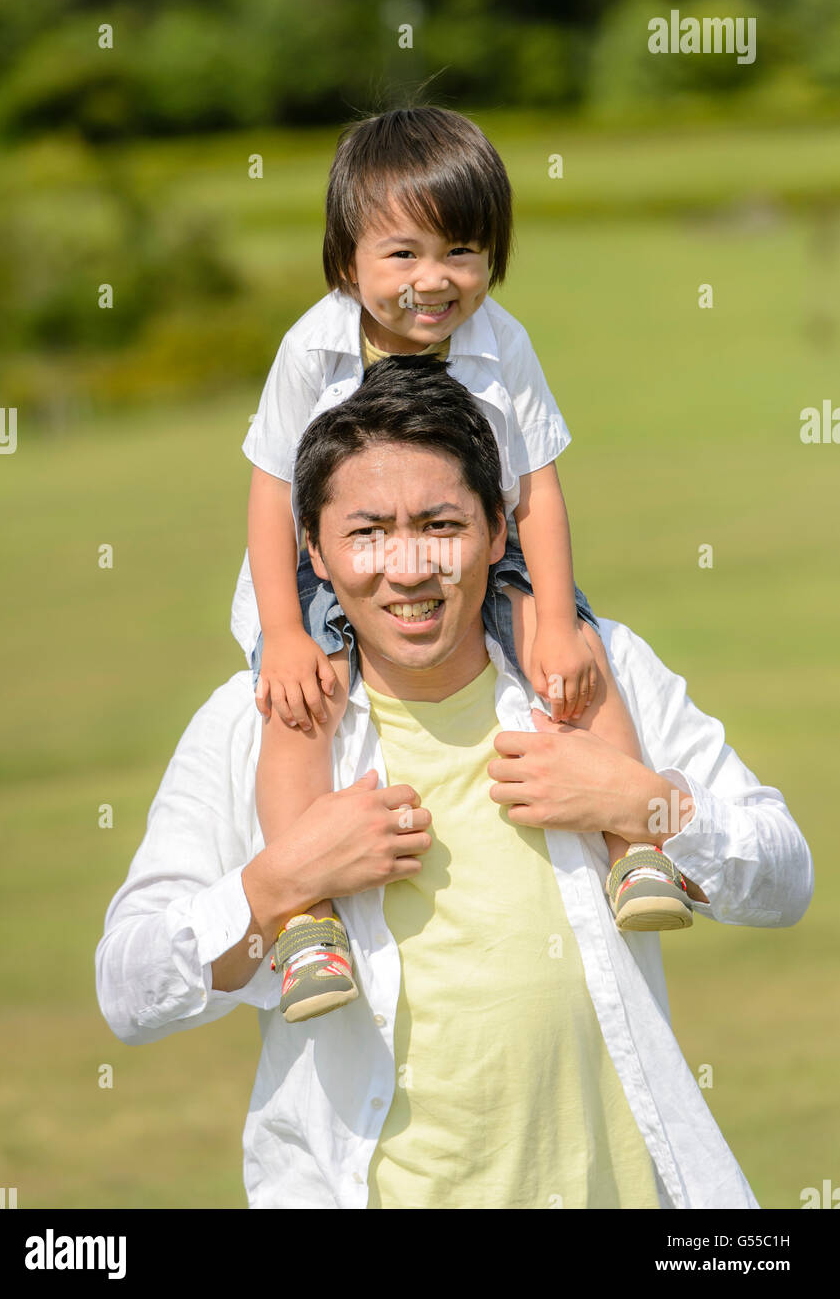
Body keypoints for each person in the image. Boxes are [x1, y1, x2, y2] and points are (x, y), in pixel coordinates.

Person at [96, 359, 813, 1209]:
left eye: (440, 524)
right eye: (365, 535)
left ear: (498, 533)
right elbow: (130, 992)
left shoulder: (593, 669)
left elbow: (783, 879)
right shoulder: (254, 718)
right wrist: (281, 881)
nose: (407, 568)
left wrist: (637, 802)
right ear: (313, 553)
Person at [234, 106, 692, 1024]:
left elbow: (540, 492)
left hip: (490, 544)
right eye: (401, 255)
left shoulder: (501, 343)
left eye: (463, 252)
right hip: (328, 570)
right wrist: (283, 629)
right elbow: (268, 489)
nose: (433, 281)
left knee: (575, 658)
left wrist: (556, 621)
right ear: (345, 263)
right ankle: (305, 921)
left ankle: (634, 847)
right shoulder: (311, 346)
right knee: (302, 699)